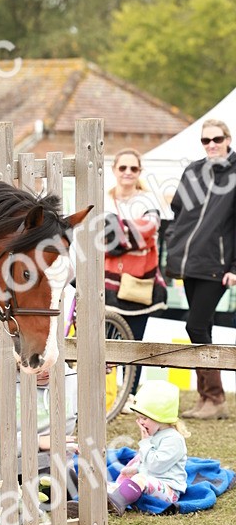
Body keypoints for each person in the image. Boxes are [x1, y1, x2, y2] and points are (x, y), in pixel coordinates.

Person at [165, 119, 236, 419]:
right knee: (201, 327)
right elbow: (179, 210)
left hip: (217, 265)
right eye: (205, 141)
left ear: (228, 139)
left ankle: (215, 397)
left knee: (194, 325)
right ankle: (207, 400)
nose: (211, 145)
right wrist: (174, 241)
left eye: (216, 139)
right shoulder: (193, 170)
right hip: (189, 262)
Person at [103, 147, 167, 393]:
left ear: (139, 171)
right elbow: (95, 236)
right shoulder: (104, 199)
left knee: (134, 342)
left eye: (134, 168)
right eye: (123, 167)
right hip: (108, 284)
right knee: (106, 341)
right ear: (114, 170)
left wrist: (113, 231)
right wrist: (131, 235)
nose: (128, 172)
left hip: (140, 283)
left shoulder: (149, 200)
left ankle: (129, 394)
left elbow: (149, 230)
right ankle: (105, 395)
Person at [107, 380, 188, 514]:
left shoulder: (173, 440)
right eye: (138, 418)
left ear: (161, 418)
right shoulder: (156, 434)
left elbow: (155, 466)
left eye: (144, 418)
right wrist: (136, 468)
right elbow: (146, 464)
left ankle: (117, 503)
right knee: (122, 479)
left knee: (140, 479)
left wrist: (145, 442)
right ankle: (88, 491)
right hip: (150, 481)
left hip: (168, 490)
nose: (139, 422)